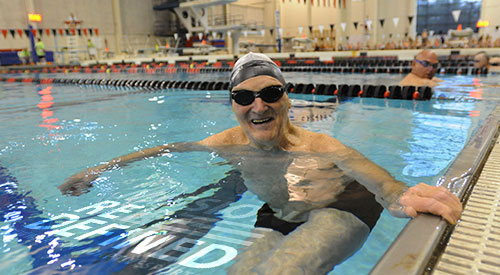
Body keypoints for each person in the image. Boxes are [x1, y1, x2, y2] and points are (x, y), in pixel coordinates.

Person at [59, 53, 462, 273]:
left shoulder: (317, 143)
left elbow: (371, 176)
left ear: (286, 99)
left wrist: (399, 195)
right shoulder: (226, 143)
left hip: (341, 205)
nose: (258, 105)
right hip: (280, 210)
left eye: (270, 92)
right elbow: (166, 149)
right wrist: (97, 169)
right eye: (244, 97)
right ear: (232, 104)